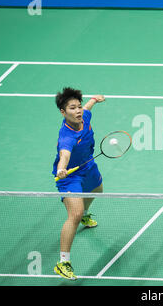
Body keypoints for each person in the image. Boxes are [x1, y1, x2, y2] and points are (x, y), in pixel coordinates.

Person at [52, 87, 105, 279]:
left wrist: (94, 99)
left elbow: (89, 108)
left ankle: (85, 214)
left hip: (88, 166)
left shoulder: (85, 117)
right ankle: (63, 262)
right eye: (72, 108)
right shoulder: (66, 136)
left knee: (98, 190)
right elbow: (64, 154)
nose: (78, 111)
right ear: (63, 112)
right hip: (69, 176)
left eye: (79, 106)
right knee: (73, 214)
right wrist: (61, 168)